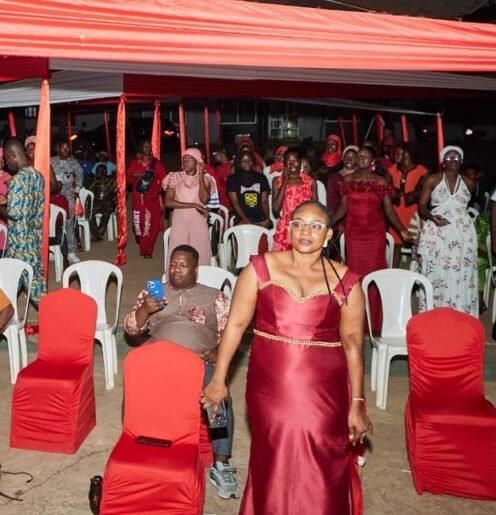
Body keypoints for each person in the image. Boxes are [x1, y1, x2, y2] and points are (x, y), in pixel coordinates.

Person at [203, 201, 371, 515]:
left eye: (316, 226)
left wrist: (357, 403)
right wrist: (218, 380)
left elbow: (352, 344)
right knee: (274, 453)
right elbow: (236, 325)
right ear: (288, 228)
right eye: (299, 223)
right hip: (270, 387)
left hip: (326, 389)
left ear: (329, 234)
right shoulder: (260, 268)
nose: (306, 231)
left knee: (323, 453)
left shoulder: (346, 280)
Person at [123, 244, 238, 499]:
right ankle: (135, 444)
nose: (176, 270)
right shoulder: (154, 292)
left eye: (183, 265)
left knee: (219, 399)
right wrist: (145, 310)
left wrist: (218, 352)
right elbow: (131, 329)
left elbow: (232, 331)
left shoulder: (215, 297)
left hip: (198, 362)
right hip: (158, 359)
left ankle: (221, 463)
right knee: (135, 381)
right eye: (173, 264)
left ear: (195, 269)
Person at [332, 147, 413, 330]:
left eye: (365, 156)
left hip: (374, 235)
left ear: (372, 161)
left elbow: (389, 210)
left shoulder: (380, 181)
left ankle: (375, 322)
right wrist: (329, 223)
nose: (361, 159)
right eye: (359, 156)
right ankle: (357, 320)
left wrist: (402, 230)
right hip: (354, 234)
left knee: (374, 276)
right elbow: (343, 208)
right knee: (355, 276)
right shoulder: (348, 180)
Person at [417, 146, 478, 316]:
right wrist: (432, 217)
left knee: (461, 268)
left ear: (462, 161)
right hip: (438, 230)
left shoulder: (470, 182)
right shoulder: (432, 179)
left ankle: (460, 310)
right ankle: (435, 310)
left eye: (456, 157)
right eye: (449, 158)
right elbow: (421, 206)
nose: (453, 160)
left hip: (462, 232)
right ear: (442, 162)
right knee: (437, 268)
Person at [0, 138, 47, 305]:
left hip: (19, 243)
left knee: (36, 290)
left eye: (6, 159)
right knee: (10, 282)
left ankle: (54, 316)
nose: (6, 164)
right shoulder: (38, 176)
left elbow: (14, 215)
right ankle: (2, 313)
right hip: (33, 237)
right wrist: (8, 200)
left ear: (12, 155)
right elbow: (28, 204)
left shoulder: (17, 180)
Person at [164, 148, 214, 267]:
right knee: (178, 253)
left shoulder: (205, 179)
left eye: (190, 159)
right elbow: (168, 202)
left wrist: (200, 174)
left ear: (198, 162)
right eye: (184, 159)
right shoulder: (175, 176)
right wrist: (193, 205)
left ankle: (201, 278)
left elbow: (204, 199)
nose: (186, 161)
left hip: (198, 221)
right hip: (180, 221)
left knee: (200, 254)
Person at [126, 140, 167, 258]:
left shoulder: (156, 164)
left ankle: (148, 250)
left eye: (149, 146)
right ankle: (140, 238)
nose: (147, 148)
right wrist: (134, 176)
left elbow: (164, 180)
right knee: (138, 225)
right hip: (138, 198)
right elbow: (128, 179)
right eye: (145, 146)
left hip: (151, 199)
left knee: (151, 224)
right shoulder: (135, 163)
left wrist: (156, 190)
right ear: (141, 148)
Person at [272, 148, 317, 251]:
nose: (291, 164)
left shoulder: (310, 182)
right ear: (284, 163)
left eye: (295, 161)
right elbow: (275, 209)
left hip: (305, 229)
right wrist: (284, 181)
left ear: (300, 163)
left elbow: (316, 209)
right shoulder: (277, 181)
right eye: (288, 161)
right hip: (285, 230)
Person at [52, 139, 84, 264]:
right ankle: (53, 250)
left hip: (68, 195)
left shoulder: (73, 162)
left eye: (67, 148)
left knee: (69, 223)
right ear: (58, 149)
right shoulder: (51, 161)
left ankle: (71, 252)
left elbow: (80, 175)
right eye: (63, 148)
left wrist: (77, 190)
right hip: (53, 196)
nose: (66, 150)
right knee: (53, 223)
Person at [226, 149, 271, 228]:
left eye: (249, 160)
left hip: (259, 218)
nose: (247, 163)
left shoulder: (261, 178)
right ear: (239, 163)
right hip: (241, 218)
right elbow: (235, 203)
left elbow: (264, 201)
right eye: (244, 161)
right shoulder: (232, 180)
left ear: (253, 161)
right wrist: (248, 222)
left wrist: (267, 219)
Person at [326, 146, 360, 220]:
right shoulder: (334, 177)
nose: (349, 159)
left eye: (352, 157)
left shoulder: (361, 176)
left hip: (357, 217)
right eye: (347, 157)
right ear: (342, 158)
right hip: (338, 218)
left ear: (357, 160)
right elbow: (331, 201)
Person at [89, 163, 118, 240]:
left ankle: (99, 232)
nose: (96, 173)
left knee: (107, 211)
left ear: (104, 172)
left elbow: (121, 191)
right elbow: (89, 192)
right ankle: (95, 232)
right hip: (98, 204)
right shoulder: (96, 182)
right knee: (89, 211)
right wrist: (94, 183)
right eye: (97, 171)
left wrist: (115, 196)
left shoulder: (112, 181)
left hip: (108, 203)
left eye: (98, 171)